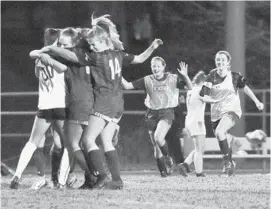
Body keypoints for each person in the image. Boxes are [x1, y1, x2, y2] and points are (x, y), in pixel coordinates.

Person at [38, 14, 163, 189]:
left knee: (87, 141)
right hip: (118, 104)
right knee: (105, 141)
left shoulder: (97, 57)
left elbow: (72, 56)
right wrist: (153, 46)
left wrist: (50, 49)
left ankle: (102, 176)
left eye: (94, 44)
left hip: (104, 102)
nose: (92, 47)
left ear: (103, 41)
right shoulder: (119, 54)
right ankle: (117, 180)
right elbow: (141, 59)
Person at [10, 28, 68, 189]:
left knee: (33, 142)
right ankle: (62, 180)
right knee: (66, 144)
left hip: (44, 106)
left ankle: (17, 175)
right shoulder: (62, 55)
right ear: (57, 41)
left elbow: (37, 74)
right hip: (61, 105)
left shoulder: (40, 57)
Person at [122, 56, 193, 177]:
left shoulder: (172, 78)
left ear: (163, 67)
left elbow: (190, 87)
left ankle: (168, 158)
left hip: (167, 112)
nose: (155, 68)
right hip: (151, 113)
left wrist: (185, 76)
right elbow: (127, 86)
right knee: (156, 146)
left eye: (158, 66)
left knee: (158, 137)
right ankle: (163, 173)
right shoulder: (147, 79)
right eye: (153, 66)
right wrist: (117, 73)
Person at [199, 50, 264, 176]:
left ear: (228, 62)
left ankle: (226, 163)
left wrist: (257, 101)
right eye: (218, 59)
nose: (220, 62)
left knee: (220, 132)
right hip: (216, 114)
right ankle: (230, 165)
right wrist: (209, 99)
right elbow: (203, 96)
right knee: (221, 136)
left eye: (223, 59)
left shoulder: (235, 76)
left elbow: (245, 88)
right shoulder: (210, 76)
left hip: (232, 110)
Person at [178, 71, 221, 177]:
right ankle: (199, 172)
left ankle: (185, 165)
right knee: (199, 149)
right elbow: (206, 98)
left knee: (200, 148)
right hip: (197, 121)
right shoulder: (200, 90)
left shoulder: (191, 90)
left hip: (189, 121)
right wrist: (219, 100)